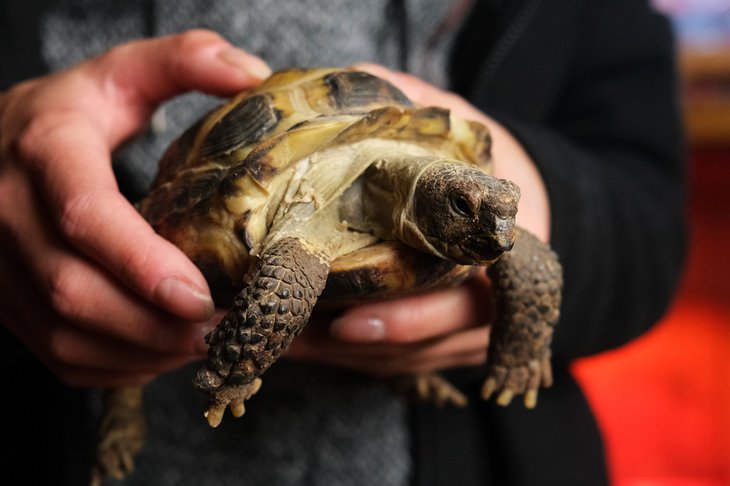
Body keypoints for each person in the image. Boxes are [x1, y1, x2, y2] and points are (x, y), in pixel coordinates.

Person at [0, 0, 685, 485]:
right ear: (428, 198)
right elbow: (284, 274)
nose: (492, 231)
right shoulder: (298, 246)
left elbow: (641, 214)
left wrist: (537, 292)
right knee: (150, 320)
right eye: (470, 209)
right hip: (57, 413)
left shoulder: (472, 210)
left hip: (476, 458)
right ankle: (123, 410)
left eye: (496, 211)